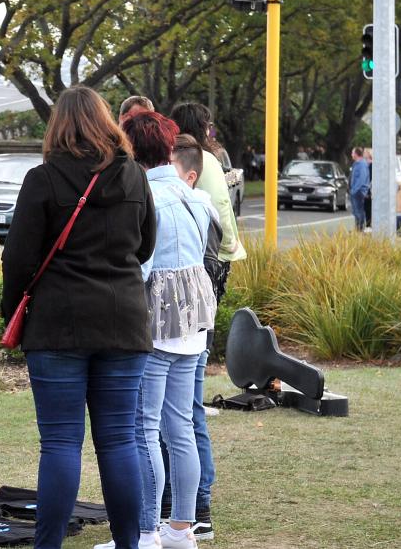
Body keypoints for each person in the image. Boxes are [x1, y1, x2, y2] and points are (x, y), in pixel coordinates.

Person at [2, 86, 156, 549]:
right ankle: (129, 543)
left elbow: (18, 258)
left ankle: (47, 545)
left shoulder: (43, 179)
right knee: (119, 441)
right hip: (124, 319)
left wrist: (13, 313)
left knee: (61, 443)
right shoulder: (134, 177)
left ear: (58, 125)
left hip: (58, 323)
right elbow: (145, 245)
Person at [120, 114, 217, 549]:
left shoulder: (145, 197)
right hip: (195, 318)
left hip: (156, 320)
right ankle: (180, 529)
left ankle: (145, 532)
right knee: (179, 428)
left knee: (144, 428)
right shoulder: (194, 195)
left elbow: (138, 269)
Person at [168, 102, 245, 541]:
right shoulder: (216, 161)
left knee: (181, 412)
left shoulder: (199, 168)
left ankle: (194, 506)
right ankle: (192, 505)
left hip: (190, 299)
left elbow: (217, 228)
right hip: (204, 294)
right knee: (185, 410)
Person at [350, 147, 370, 232]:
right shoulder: (356, 164)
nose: (351, 154)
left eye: (352, 152)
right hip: (355, 191)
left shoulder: (362, 164)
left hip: (359, 191)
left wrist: (355, 189)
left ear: (356, 154)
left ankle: (360, 228)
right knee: (356, 210)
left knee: (359, 210)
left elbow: (362, 178)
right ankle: (357, 227)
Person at [363, 148, 373, 230]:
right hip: (366, 189)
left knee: (368, 207)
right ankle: (367, 224)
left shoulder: (371, 165)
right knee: (366, 208)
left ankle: (369, 225)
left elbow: (370, 178)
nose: (363, 154)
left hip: (369, 189)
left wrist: (368, 190)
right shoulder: (366, 164)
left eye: (365, 152)